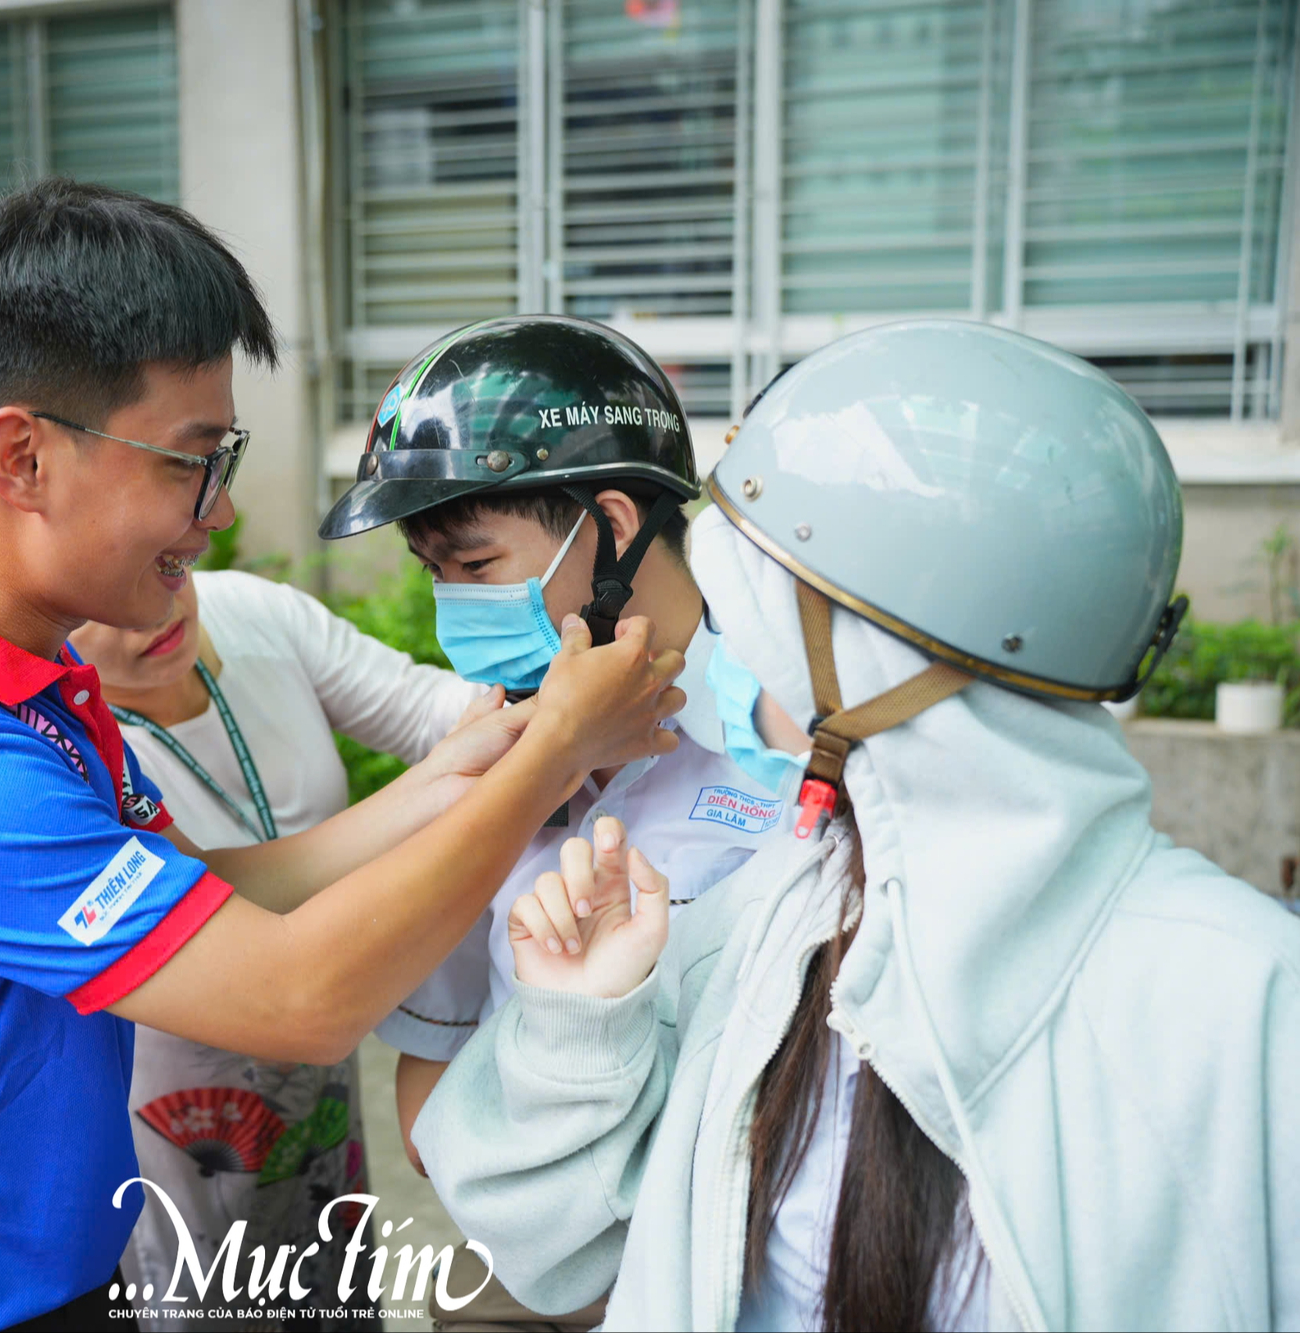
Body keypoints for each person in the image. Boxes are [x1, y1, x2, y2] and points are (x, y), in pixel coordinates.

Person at [0, 180, 685, 1333]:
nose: (220, 512)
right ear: (23, 457)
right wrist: (553, 758)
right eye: (188, 460)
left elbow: (208, 885)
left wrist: (465, 768)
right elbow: (300, 999)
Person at [413, 320, 1300, 1331]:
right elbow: (548, 1244)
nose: (733, 653)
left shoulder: (1252, 997)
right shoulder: (769, 922)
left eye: (762, 609)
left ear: (885, 652)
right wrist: (580, 1028)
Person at [319, 315, 809, 1331]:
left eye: (476, 563)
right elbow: (427, 1089)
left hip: (737, 1270)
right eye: (433, 572)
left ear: (614, 525)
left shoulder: (785, 732)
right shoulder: (490, 750)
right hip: (522, 1273)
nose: (454, 604)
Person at [68, 563, 485, 1327]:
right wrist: (453, 784)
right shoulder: (63, 747)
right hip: (175, 1097)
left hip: (319, 1057)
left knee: (331, 1273)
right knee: (200, 1294)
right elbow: (202, 904)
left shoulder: (249, 612)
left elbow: (429, 709)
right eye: (100, 602)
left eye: (165, 566)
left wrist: (539, 703)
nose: (151, 612)